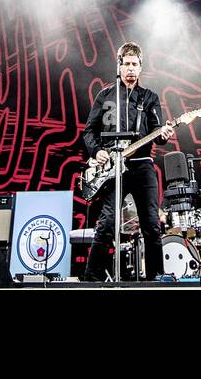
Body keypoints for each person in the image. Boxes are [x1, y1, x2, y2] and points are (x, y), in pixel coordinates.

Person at [81, 42, 174, 281]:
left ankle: (156, 278)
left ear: (140, 67)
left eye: (135, 64)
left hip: (142, 165)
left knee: (151, 225)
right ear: (119, 66)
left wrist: (163, 135)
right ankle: (91, 278)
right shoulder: (105, 95)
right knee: (106, 223)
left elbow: (157, 133)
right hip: (113, 168)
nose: (130, 69)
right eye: (126, 64)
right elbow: (89, 132)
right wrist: (96, 152)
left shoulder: (149, 98)